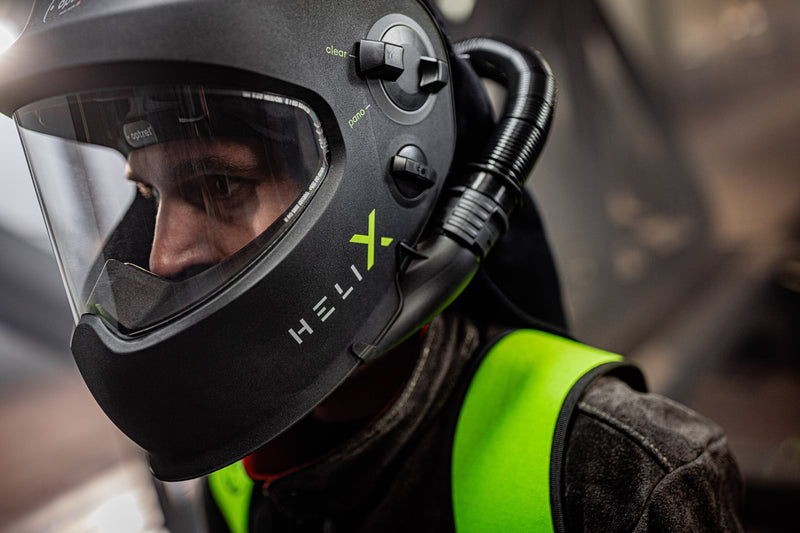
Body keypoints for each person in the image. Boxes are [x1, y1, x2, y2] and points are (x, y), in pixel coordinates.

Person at [0, 0, 743, 531]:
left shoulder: (621, 472)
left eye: (219, 185)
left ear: (382, 179)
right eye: (148, 193)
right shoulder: (238, 456)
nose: (160, 255)